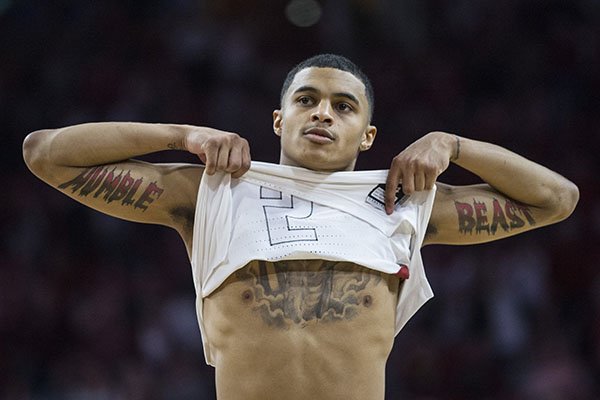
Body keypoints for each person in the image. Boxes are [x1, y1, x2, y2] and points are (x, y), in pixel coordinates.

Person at [22, 54, 578, 400]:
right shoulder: (213, 189)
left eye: (343, 106)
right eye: (307, 100)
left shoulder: (404, 200)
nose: (322, 114)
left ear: (367, 135)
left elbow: (558, 199)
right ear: (278, 119)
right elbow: (45, 153)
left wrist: (454, 145)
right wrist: (180, 133)